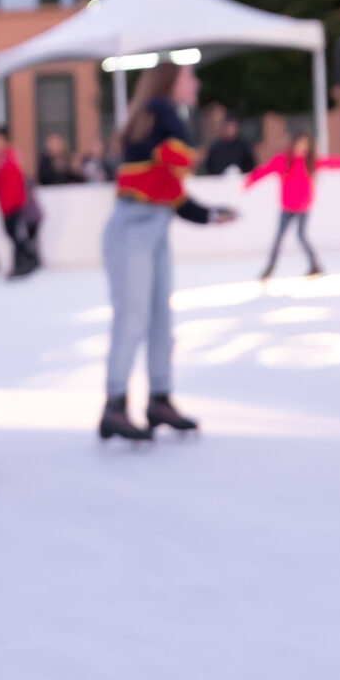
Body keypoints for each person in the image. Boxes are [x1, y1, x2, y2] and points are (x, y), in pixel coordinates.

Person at [100, 62, 237, 441]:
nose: (195, 83)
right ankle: (114, 403)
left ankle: (159, 397)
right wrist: (171, 106)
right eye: (188, 77)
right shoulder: (158, 114)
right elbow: (181, 156)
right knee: (133, 316)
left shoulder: (156, 123)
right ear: (170, 82)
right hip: (132, 229)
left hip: (155, 229)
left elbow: (173, 194)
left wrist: (211, 215)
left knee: (161, 318)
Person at [248, 133, 340, 278]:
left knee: (301, 236)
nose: (301, 148)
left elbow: (334, 163)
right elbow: (265, 170)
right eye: (299, 144)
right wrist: (249, 181)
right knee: (279, 238)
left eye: (305, 145)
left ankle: (315, 265)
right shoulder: (283, 160)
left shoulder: (310, 162)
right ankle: (270, 268)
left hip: (303, 207)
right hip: (287, 207)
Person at [0, 130, 41, 278]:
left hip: (14, 204)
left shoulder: (10, 156)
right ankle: (24, 261)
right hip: (5, 205)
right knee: (12, 235)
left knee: (15, 235)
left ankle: (24, 262)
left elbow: (17, 180)